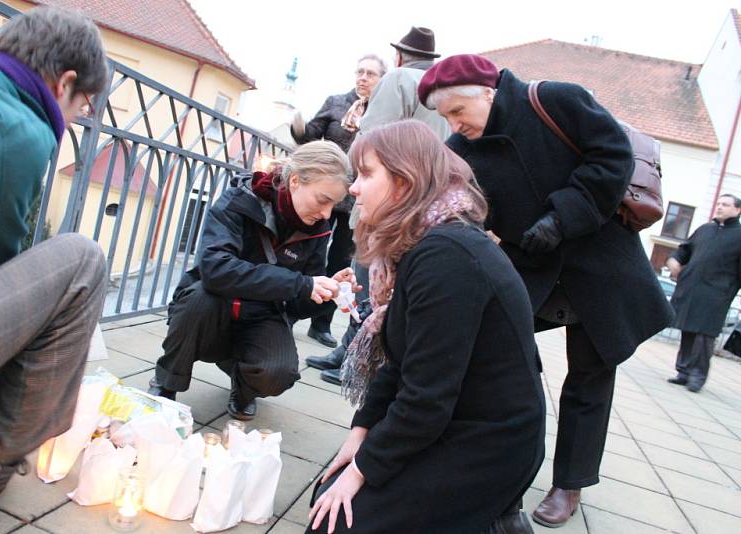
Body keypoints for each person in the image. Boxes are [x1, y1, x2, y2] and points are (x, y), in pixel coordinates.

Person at [418, 54, 673, 528]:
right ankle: (495, 464)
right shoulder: (462, 148)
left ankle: (569, 483)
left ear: (486, 94)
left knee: (589, 379)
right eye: (446, 118)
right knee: (492, 357)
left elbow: (612, 156)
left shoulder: (555, 100)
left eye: (458, 112)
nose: (453, 124)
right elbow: (453, 202)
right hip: (532, 270)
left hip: (600, 268)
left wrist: (562, 216)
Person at [307, 120, 545, 534]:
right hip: (451, 418)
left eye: (366, 174)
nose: (354, 189)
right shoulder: (424, 245)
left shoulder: (448, 257)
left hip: (487, 442)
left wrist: (363, 470)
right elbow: (400, 363)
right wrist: (359, 435)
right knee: (325, 497)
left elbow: (426, 398)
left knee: (334, 524)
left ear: (404, 180)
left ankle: (493, 520)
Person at [0, 6, 109, 523]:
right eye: (83, 106)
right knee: (82, 261)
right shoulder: (18, 127)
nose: (78, 119)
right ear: (64, 83)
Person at [148, 141, 355, 420]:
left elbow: (295, 307)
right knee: (199, 299)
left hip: (261, 317)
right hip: (211, 308)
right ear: (295, 181)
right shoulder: (239, 200)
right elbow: (216, 269)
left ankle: (243, 388)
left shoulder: (318, 229)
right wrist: (300, 283)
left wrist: (326, 294)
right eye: (323, 200)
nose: (327, 214)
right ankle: (166, 384)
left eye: (334, 205)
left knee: (279, 373)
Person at [306, 26, 450, 385]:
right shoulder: (439, 88)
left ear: (400, 57)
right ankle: (348, 352)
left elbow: (371, 138)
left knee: (366, 277)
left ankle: (353, 360)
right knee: (384, 283)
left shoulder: (399, 79)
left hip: (385, 195)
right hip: (423, 200)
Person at [291, 54, 386, 348]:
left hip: (355, 199)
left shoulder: (382, 112)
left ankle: (321, 323)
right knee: (307, 252)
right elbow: (310, 136)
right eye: (360, 71)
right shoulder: (336, 102)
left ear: (382, 79)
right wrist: (298, 127)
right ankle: (289, 310)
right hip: (323, 193)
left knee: (340, 261)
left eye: (371, 73)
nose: (363, 77)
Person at [666, 194, 741, 392]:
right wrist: (674, 260)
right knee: (688, 331)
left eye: (725, 204)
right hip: (692, 290)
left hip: (717, 295)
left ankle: (697, 376)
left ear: (738, 210)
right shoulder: (705, 229)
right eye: (718, 204)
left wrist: (728, 292)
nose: (720, 207)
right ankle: (683, 372)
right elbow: (684, 250)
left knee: (704, 337)